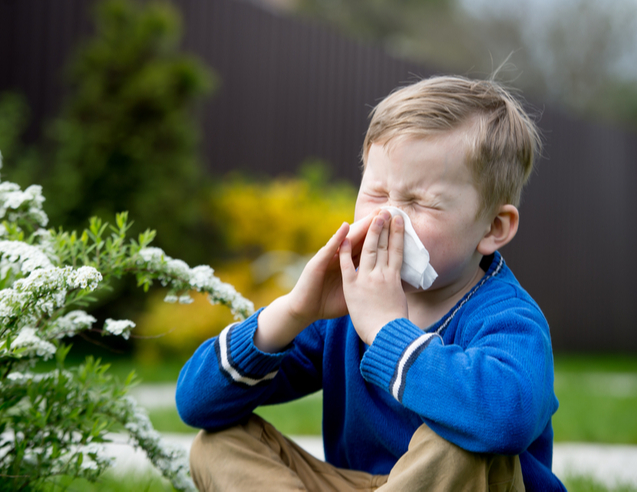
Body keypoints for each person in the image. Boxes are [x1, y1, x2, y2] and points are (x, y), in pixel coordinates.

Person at [176, 75, 565, 491]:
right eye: (377, 194)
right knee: (216, 442)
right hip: (357, 482)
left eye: (420, 202)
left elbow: (506, 421)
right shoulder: (345, 307)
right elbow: (197, 404)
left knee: (461, 440)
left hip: (459, 481)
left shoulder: (507, 317)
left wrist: (385, 333)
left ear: (493, 226)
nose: (389, 219)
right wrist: (292, 312)